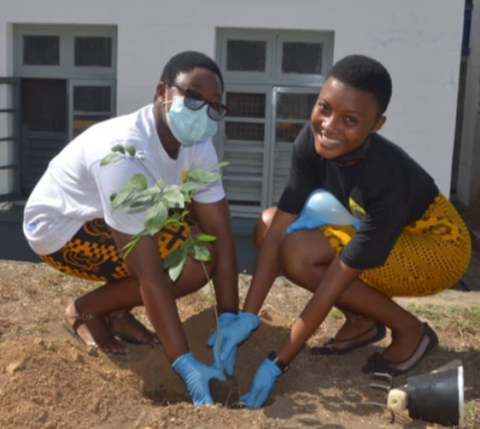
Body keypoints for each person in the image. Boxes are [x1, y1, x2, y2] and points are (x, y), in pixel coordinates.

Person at [208, 54, 472, 408]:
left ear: (376, 125)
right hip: (384, 232)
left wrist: (277, 363)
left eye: (350, 119)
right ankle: (362, 321)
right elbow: (277, 228)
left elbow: (334, 281)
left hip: (437, 248)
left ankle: (412, 330)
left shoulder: (385, 182)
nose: (329, 126)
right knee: (270, 223)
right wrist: (248, 316)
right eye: (324, 107)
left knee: (300, 256)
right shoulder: (311, 142)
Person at [23, 51, 240, 406]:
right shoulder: (126, 154)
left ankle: (118, 311)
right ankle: (85, 311)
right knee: (187, 265)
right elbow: (149, 272)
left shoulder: (198, 145)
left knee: (202, 244)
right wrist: (184, 363)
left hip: (108, 218)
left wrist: (229, 316)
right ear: (163, 91)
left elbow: (221, 232)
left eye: (215, 105)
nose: (204, 111)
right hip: (60, 229)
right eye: (195, 97)